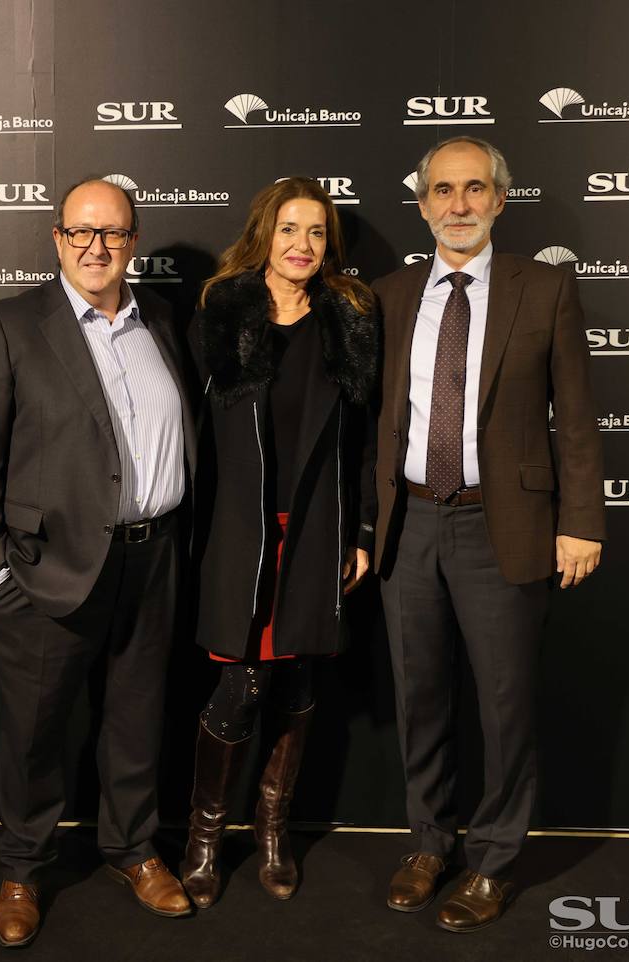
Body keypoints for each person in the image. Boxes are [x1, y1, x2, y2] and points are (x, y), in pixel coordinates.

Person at [0, 177, 198, 947]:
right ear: (57, 240)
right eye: (81, 232)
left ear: (133, 240)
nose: (97, 247)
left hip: (151, 560)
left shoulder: (159, 318)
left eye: (114, 233)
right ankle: (23, 866)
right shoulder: (9, 325)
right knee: (34, 731)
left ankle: (131, 848)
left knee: (135, 718)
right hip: (45, 570)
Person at [372, 137, 605, 932]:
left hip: (503, 523)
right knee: (420, 697)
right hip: (408, 522)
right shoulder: (390, 294)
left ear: (500, 200)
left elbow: (574, 417)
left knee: (504, 707)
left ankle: (494, 860)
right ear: (423, 203)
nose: (459, 204)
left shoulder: (544, 288)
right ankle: (429, 844)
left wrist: (580, 522)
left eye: (475, 189)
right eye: (443, 190)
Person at [179, 177, 379, 909]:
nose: (303, 245)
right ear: (265, 233)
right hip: (241, 534)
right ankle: (204, 838)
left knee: (297, 684)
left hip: (318, 529)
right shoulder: (222, 308)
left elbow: (361, 440)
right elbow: (192, 431)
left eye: (317, 232)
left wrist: (360, 533)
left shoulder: (350, 315)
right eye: (290, 229)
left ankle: (272, 831)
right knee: (240, 685)